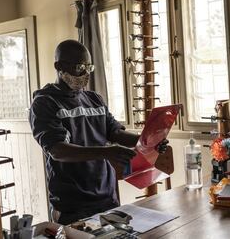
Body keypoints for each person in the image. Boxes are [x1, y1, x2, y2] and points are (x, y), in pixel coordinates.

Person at [29, 39, 168, 225]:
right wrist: (106, 152)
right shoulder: (45, 103)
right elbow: (57, 150)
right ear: (59, 66)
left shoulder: (94, 99)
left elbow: (115, 132)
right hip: (73, 205)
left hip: (107, 197)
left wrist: (147, 141)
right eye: (80, 67)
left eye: (89, 67)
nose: (86, 73)